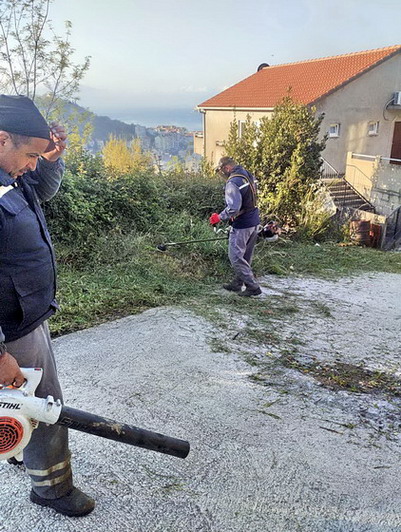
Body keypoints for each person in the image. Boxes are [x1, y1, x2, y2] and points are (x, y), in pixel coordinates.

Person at [0, 95, 95, 517]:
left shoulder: (10, 175)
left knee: (18, 405)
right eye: (31, 155)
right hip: (11, 331)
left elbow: (42, 190)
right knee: (43, 403)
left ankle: (20, 448)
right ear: (2, 139)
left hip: (26, 316)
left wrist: (51, 160)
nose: (32, 165)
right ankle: (52, 489)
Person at [209, 156, 262, 297]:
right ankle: (238, 283)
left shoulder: (233, 182)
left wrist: (219, 217)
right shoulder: (247, 174)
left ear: (226, 168)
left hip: (242, 224)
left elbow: (233, 208)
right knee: (245, 256)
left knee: (235, 257)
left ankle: (252, 287)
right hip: (254, 221)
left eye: (221, 170)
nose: (222, 173)